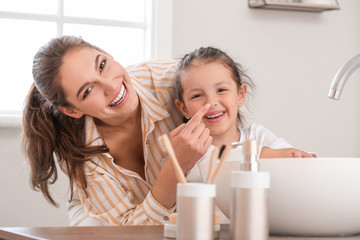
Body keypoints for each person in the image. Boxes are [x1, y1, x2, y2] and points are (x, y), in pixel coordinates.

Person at [22, 36, 213, 226]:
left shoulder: (174, 79)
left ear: (105, 52)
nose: (111, 86)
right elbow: (128, 230)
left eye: (102, 65)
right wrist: (174, 167)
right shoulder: (79, 151)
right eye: (88, 91)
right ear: (72, 110)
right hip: (104, 208)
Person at [173, 46, 314, 184]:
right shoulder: (189, 149)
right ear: (183, 108)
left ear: (240, 95)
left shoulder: (257, 135)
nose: (211, 103)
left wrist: (301, 158)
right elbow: (216, 165)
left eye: (221, 90)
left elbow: (295, 160)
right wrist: (262, 155)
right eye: (197, 95)